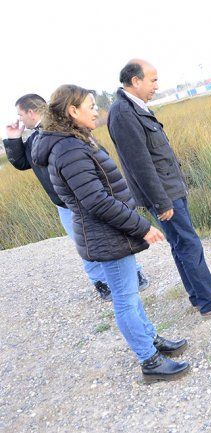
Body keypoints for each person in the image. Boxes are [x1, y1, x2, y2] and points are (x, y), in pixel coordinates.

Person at [31, 84, 189, 381]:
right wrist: (142, 227)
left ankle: (151, 339)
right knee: (126, 298)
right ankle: (149, 361)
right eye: (90, 106)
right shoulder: (68, 149)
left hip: (110, 232)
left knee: (130, 293)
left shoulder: (74, 141)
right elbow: (96, 202)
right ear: (72, 111)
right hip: (105, 235)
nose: (96, 111)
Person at [107, 59, 211, 318]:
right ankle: (210, 303)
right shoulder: (123, 112)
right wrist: (161, 202)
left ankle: (199, 294)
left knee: (181, 244)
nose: (157, 86)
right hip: (164, 194)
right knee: (188, 244)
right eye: (153, 80)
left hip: (168, 189)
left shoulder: (133, 107)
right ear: (135, 81)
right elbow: (140, 164)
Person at [3, 94, 148, 301]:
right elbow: (23, 163)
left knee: (112, 236)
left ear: (31, 112)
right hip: (65, 204)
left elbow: (99, 155)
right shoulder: (35, 139)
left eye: (20, 114)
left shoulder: (67, 130)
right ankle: (103, 281)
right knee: (86, 243)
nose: (19, 119)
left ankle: (131, 274)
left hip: (90, 195)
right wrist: (14, 139)